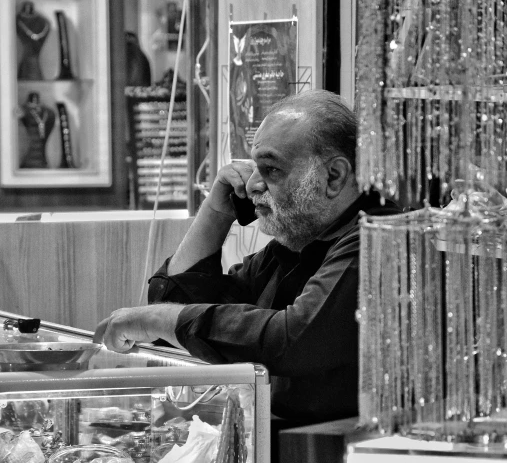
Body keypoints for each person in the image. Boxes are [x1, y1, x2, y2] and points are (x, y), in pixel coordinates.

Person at [94, 89, 399, 427]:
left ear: (334, 176)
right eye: (254, 167)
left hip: (335, 459)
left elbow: (289, 340)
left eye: (271, 169)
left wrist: (159, 320)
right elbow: (173, 307)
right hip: (275, 450)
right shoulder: (290, 246)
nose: (253, 184)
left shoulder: (377, 239)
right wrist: (215, 211)